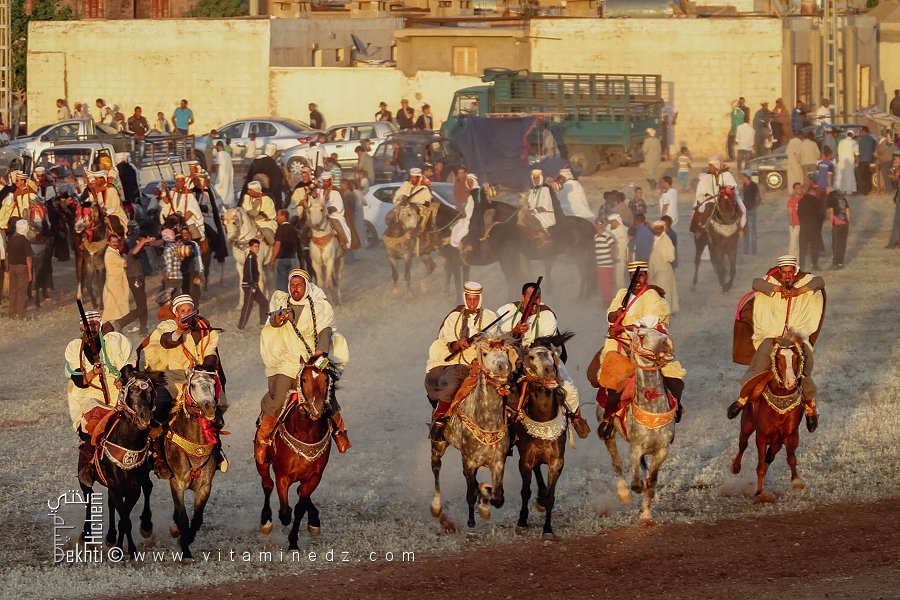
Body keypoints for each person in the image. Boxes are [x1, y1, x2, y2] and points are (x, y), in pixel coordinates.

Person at [256, 269, 351, 463]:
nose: (295, 288)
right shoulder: (281, 302)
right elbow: (271, 325)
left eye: (299, 285)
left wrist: (320, 353)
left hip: (313, 359)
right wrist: (277, 321)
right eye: (292, 285)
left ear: (306, 286)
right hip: (288, 361)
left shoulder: (320, 306)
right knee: (280, 396)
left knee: (326, 392)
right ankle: (263, 439)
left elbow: (325, 331)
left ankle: (339, 432)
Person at [728, 255, 823, 432]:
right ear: (780, 271)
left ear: (795, 271)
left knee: (804, 368)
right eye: (784, 272)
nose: (787, 276)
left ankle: (810, 407)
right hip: (772, 336)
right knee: (760, 365)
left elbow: (820, 281)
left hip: (797, 336)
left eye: (790, 272)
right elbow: (756, 283)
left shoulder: (807, 280)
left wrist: (798, 291)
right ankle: (742, 400)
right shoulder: (769, 280)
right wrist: (778, 289)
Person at [591, 262, 686, 438]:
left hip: (648, 346)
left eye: (641, 275)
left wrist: (623, 327)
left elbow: (649, 322)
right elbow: (610, 314)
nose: (637, 280)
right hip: (622, 345)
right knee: (612, 380)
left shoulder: (652, 296)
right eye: (634, 276)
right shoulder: (622, 294)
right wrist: (614, 315)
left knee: (674, 378)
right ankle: (609, 418)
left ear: (646, 276)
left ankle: (674, 412)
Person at [143, 294, 228, 476]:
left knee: (216, 411)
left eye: (190, 310)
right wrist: (180, 331)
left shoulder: (203, 328)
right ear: (176, 314)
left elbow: (211, 353)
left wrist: (204, 368)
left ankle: (216, 451)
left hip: (196, 377)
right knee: (159, 406)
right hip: (171, 377)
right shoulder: (165, 327)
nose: (187, 314)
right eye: (183, 311)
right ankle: (155, 454)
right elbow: (167, 341)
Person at [496, 282, 591, 438]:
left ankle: (576, 417)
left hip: (542, 357)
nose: (534, 302)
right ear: (522, 297)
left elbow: (545, 343)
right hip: (513, 357)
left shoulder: (547, 315)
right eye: (530, 297)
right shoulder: (505, 311)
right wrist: (514, 332)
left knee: (569, 389)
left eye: (537, 298)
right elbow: (498, 339)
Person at [66, 310, 137, 486]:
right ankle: (88, 466)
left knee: (138, 414)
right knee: (94, 418)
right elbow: (79, 381)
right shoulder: (75, 348)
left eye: (95, 324)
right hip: (90, 393)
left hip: (115, 391)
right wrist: (92, 373)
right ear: (82, 327)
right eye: (87, 325)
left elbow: (127, 367)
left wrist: (122, 379)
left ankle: (153, 457)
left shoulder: (113, 342)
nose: (91, 328)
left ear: (99, 326)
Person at [425, 281, 500, 440]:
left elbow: (496, 338)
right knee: (450, 383)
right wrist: (457, 343)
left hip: (484, 362)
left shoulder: (490, 316)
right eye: (469, 299)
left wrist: (484, 340)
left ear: (480, 298)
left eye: (475, 299)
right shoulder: (454, 316)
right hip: (459, 361)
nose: (472, 302)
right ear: (465, 297)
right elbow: (445, 336)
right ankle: (440, 419)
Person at [115, 225, 154, 335]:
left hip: (139, 280)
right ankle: (120, 322)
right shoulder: (133, 251)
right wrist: (144, 241)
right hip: (135, 280)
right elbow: (134, 252)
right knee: (141, 307)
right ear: (137, 242)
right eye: (142, 241)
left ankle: (143, 329)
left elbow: (156, 243)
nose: (145, 243)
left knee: (143, 306)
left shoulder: (140, 252)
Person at [694, 158, 747, 229]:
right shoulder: (707, 177)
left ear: (715, 166)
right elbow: (702, 191)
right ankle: (701, 227)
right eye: (709, 166)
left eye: (711, 166)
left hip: (728, 196)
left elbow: (732, 186)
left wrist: (727, 189)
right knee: (709, 207)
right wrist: (707, 195)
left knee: (741, 209)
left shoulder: (726, 174)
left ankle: (742, 227)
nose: (709, 167)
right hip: (711, 198)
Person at [159, 174, 204, 242]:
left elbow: (193, 208)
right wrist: (164, 188)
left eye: (181, 181)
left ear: (184, 182)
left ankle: (196, 246)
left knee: (194, 233)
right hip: (174, 217)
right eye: (178, 181)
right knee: (163, 230)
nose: (179, 183)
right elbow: (166, 201)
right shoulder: (172, 192)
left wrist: (183, 219)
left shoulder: (189, 194)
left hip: (185, 217)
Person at [238, 239, 268, 331]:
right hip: (250, 285)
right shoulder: (251, 257)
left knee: (264, 302)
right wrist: (252, 283)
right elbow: (249, 271)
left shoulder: (253, 256)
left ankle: (263, 323)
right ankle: (241, 326)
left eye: (258, 246)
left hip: (253, 285)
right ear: (251, 247)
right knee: (248, 305)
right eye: (255, 246)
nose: (257, 248)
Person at [6, 219, 32, 319]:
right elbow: (28, 258)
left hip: (12, 267)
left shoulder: (11, 240)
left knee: (13, 290)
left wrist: (8, 268)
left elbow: (8, 254)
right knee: (21, 291)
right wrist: (29, 272)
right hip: (22, 267)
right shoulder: (25, 241)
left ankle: (11, 313)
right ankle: (20, 313)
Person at [102, 234, 131, 326]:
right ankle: (105, 325)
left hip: (117, 281)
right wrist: (126, 255)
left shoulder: (114, 251)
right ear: (108, 242)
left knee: (119, 304)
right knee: (112, 305)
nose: (115, 243)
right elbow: (125, 264)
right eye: (113, 242)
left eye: (116, 242)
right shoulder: (110, 254)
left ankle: (120, 324)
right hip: (114, 283)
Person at [649, 220, 678, 313]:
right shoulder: (653, 239)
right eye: (656, 228)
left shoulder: (666, 240)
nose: (657, 230)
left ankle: (666, 316)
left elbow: (671, 257)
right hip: (653, 271)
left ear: (663, 229)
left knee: (665, 294)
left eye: (659, 228)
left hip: (663, 271)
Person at [319, 172, 353, 251]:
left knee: (337, 224)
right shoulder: (320, 191)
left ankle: (344, 243)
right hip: (321, 215)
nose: (325, 183)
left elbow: (338, 206)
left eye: (327, 181)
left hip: (333, 214)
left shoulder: (336, 192)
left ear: (331, 181)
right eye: (324, 181)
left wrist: (328, 210)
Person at [797, 176, 825, 271]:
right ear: (813, 193)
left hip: (804, 225)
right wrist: (819, 224)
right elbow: (821, 215)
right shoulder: (817, 201)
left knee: (802, 246)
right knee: (814, 246)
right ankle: (815, 264)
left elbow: (798, 213)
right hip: (814, 226)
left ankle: (801, 265)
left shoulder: (801, 201)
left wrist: (802, 221)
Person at [521, 169, 557, 242]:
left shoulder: (545, 189)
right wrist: (526, 203)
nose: (535, 180)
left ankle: (544, 235)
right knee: (523, 219)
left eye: (537, 178)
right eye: (534, 178)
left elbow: (545, 206)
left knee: (528, 219)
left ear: (541, 178)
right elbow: (530, 204)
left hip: (545, 214)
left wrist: (533, 211)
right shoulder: (532, 190)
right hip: (534, 214)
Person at [241, 180, 277, 245]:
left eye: (250, 190)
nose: (248, 192)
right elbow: (245, 209)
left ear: (256, 190)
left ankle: (274, 250)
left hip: (265, 223)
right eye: (248, 190)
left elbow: (264, 216)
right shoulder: (247, 197)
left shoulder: (267, 200)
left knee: (267, 234)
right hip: (250, 223)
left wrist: (251, 214)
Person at [450, 174, 480, 251]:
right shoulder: (465, 192)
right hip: (467, 212)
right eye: (468, 182)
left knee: (471, 226)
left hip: (477, 212)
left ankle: (471, 244)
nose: (470, 183)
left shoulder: (478, 191)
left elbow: (479, 203)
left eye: (471, 182)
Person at [270, 209, 298, 290]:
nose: (276, 218)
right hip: (292, 259)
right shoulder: (293, 229)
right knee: (292, 282)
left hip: (282, 259)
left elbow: (277, 244)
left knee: (282, 283)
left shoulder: (280, 229)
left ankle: (284, 300)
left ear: (283, 216)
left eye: (278, 215)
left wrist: (272, 259)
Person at [594, 218, 616, 308]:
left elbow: (613, 246)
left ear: (603, 225)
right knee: (603, 285)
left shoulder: (607, 235)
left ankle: (608, 303)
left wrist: (612, 257)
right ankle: (606, 301)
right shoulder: (595, 237)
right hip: (600, 264)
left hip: (607, 264)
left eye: (600, 223)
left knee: (607, 285)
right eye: (597, 223)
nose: (599, 225)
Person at [825, 190, 850, 269]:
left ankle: (835, 263)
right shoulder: (843, 199)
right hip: (845, 223)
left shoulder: (831, 199)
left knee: (835, 244)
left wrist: (830, 223)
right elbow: (847, 211)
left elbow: (831, 212)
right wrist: (847, 222)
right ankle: (840, 263)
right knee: (843, 244)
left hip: (837, 224)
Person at [741, 169, 761, 255]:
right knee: (746, 230)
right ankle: (746, 250)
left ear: (747, 177)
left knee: (752, 231)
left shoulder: (753, 185)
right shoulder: (744, 185)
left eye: (744, 176)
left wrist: (754, 207)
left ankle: (753, 250)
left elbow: (759, 197)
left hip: (751, 210)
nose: (742, 177)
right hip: (745, 210)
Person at [608, 214, 628, 290]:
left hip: (620, 257)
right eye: (609, 222)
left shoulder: (623, 230)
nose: (610, 224)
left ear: (617, 221)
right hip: (611, 257)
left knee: (619, 278)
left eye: (612, 222)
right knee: (614, 278)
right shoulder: (610, 229)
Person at [835, 130, 859, 194]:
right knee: (850, 176)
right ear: (852, 136)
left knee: (842, 176)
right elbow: (857, 153)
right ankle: (849, 191)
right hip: (850, 162)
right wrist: (857, 162)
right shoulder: (853, 142)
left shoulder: (841, 142)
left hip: (841, 161)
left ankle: (842, 190)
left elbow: (838, 152)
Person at [855, 126, 876, 195]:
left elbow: (860, 150)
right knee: (867, 175)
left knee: (860, 175)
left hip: (862, 160)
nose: (861, 133)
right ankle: (867, 190)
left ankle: (863, 190)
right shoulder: (872, 139)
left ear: (864, 131)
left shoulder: (862, 140)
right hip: (869, 160)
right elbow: (874, 147)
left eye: (861, 132)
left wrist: (857, 160)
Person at [213, 141, 235, 207]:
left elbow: (217, 165)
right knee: (227, 187)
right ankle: (227, 200)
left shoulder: (219, 154)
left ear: (218, 147)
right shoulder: (227, 154)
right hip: (228, 173)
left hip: (221, 174)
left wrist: (216, 175)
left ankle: (221, 200)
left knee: (218, 187)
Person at [876, 129, 895, 194]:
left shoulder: (883, 142)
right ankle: (892, 188)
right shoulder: (891, 142)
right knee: (891, 175)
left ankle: (889, 190)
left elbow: (879, 151)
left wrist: (877, 154)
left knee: (886, 176)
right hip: (891, 160)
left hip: (885, 161)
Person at [787, 182, 802, 257]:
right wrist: (792, 224)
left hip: (802, 224)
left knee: (799, 245)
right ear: (794, 190)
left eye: (800, 187)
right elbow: (789, 213)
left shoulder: (803, 198)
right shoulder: (792, 200)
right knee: (793, 245)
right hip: (795, 224)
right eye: (797, 188)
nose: (799, 189)